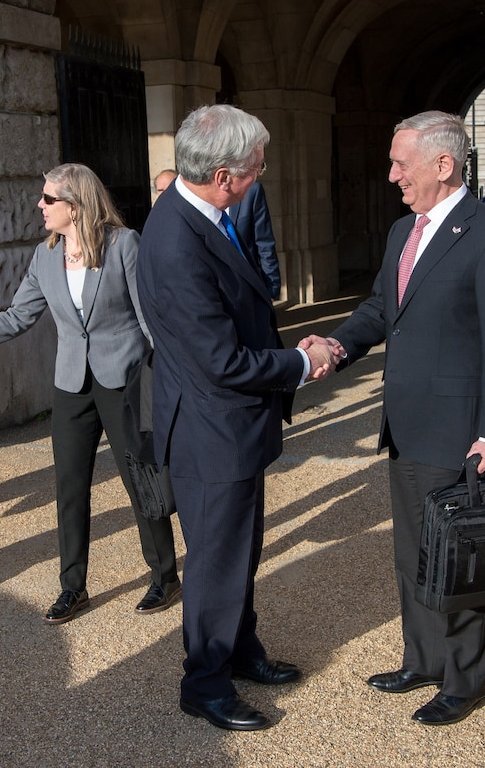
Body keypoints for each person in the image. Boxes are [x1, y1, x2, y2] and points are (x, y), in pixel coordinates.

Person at [305, 110, 485, 726]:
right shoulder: (402, 230)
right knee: (413, 554)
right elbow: (382, 308)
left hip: (459, 431)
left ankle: (463, 680)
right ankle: (424, 658)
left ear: (443, 164)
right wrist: (337, 347)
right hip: (404, 423)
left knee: (460, 556)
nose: (391, 174)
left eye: (401, 162)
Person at [137, 104, 336, 732]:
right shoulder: (175, 240)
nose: (262, 175)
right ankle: (205, 681)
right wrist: (299, 366)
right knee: (217, 562)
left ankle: (241, 650)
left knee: (238, 553)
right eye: (255, 168)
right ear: (223, 175)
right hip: (209, 428)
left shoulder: (204, 216)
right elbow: (220, 359)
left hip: (229, 425)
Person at [0, 163, 180, 624]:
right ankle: (73, 588)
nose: (40, 205)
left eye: (48, 199)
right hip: (72, 385)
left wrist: (173, 379)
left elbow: (151, 320)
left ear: (75, 206)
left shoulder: (123, 245)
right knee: (69, 487)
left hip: (124, 381)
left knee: (141, 479)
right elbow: (17, 316)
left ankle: (164, 575)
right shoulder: (44, 256)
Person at [226, 182, 282, 299]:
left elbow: (265, 243)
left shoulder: (251, 190)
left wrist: (272, 287)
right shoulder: (195, 193)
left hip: (247, 287)